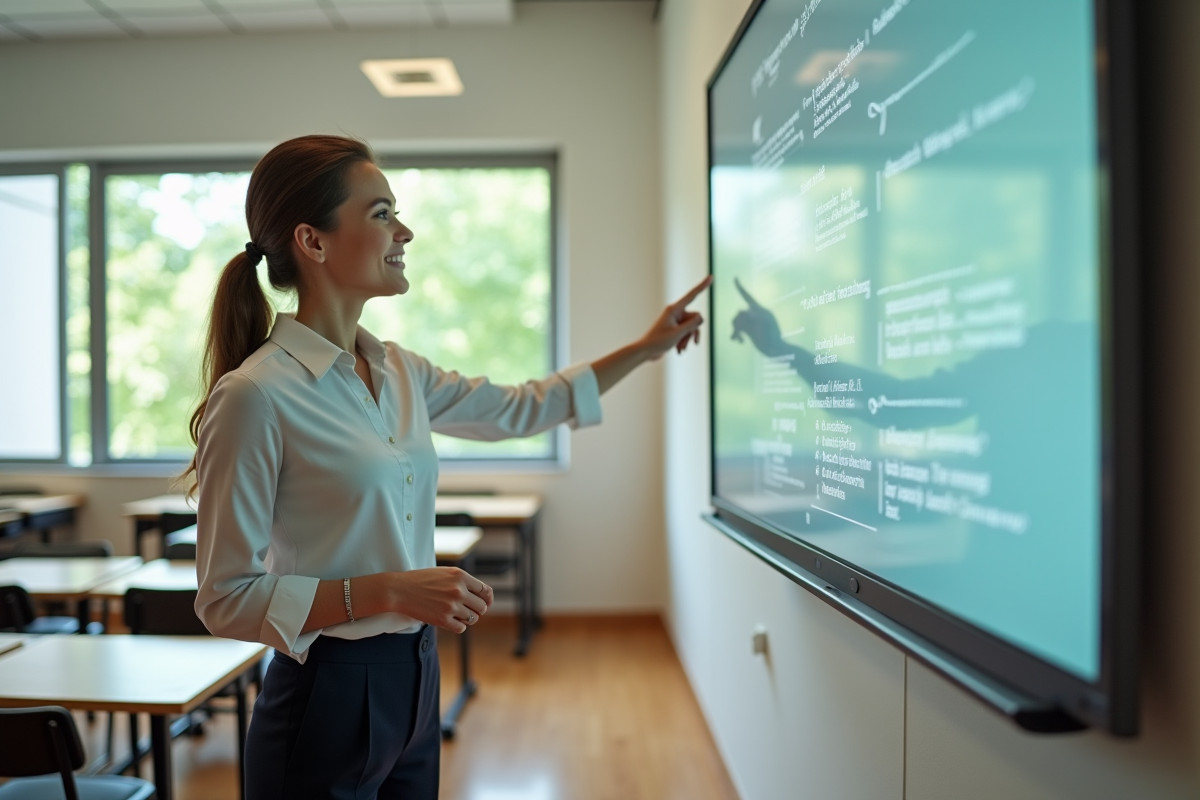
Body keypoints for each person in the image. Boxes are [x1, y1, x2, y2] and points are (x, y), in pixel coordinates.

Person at [181, 134, 711, 800]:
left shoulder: (401, 370)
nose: (404, 231)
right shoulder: (256, 395)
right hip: (326, 690)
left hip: (416, 673)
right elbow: (224, 598)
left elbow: (522, 407)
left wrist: (645, 349)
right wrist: (389, 591)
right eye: (380, 214)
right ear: (313, 242)